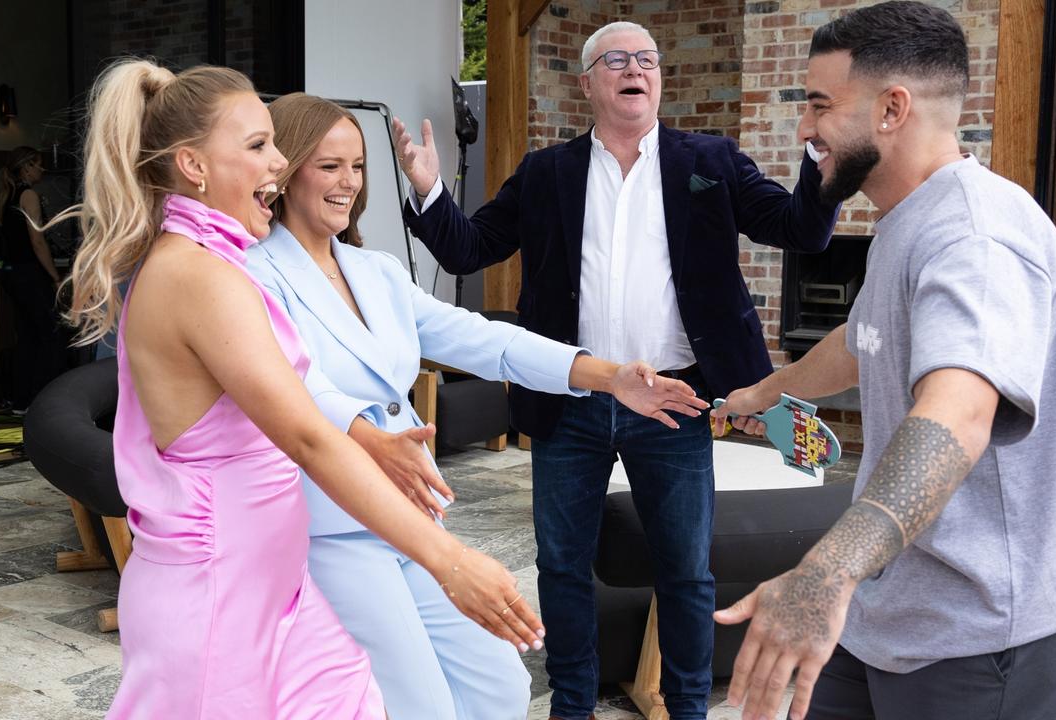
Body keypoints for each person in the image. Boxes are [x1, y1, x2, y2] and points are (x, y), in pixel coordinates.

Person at [59, 58, 551, 719]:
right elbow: (309, 438)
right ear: (194, 166)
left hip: (278, 589)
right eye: (258, 146)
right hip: (217, 601)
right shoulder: (197, 277)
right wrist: (449, 559)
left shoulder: (213, 267)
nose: (275, 164)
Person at [396, 20, 839, 719]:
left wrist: (822, 165)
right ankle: (573, 705)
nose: (636, 69)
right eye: (617, 61)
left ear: (658, 79)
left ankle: (689, 708)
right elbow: (468, 248)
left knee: (686, 572)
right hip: (570, 402)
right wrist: (426, 189)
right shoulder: (549, 174)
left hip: (675, 400)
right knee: (563, 566)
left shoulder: (712, 161)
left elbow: (800, 229)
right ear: (589, 82)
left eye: (647, 60)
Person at [246, 92, 709, 720]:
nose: (348, 183)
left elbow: (489, 340)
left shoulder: (375, 271)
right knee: (422, 704)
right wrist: (364, 433)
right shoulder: (252, 273)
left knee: (499, 685)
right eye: (329, 166)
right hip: (333, 526)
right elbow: (291, 384)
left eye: (356, 166)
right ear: (287, 168)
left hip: (412, 516)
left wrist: (608, 377)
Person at [709, 3, 1056, 719]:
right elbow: (860, 340)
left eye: (820, 105)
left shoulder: (976, 238)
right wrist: (763, 394)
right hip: (891, 602)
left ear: (892, 109)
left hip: (985, 627)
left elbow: (958, 415)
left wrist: (827, 572)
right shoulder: (908, 218)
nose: (804, 129)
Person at [0, 146, 66, 412]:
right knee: (52, 337)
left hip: (11, 274)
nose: (42, 169)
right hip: (28, 275)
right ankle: (43, 405)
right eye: (38, 164)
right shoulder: (29, 195)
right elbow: (37, 242)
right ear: (26, 167)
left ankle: (21, 402)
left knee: (27, 338)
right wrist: (54, 276)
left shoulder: (6, 195)